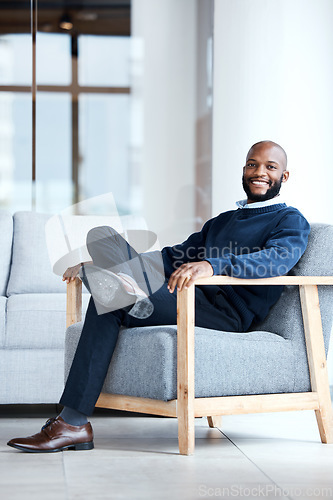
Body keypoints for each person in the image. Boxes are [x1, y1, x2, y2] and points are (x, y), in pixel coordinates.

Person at [7, 140, 310, 453]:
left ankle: (72, 423)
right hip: (185, 297)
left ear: (284, 176)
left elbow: (277, 260)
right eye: (252, 164)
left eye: (270, 167)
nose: (259, 172)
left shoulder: (289, 220)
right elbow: (175, 257)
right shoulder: (222, 222)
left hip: (224, 313)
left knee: (110, 299)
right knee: (109, 246)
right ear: (244, 169)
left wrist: (211, 264)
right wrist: (100, 262)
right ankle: (106, 276)